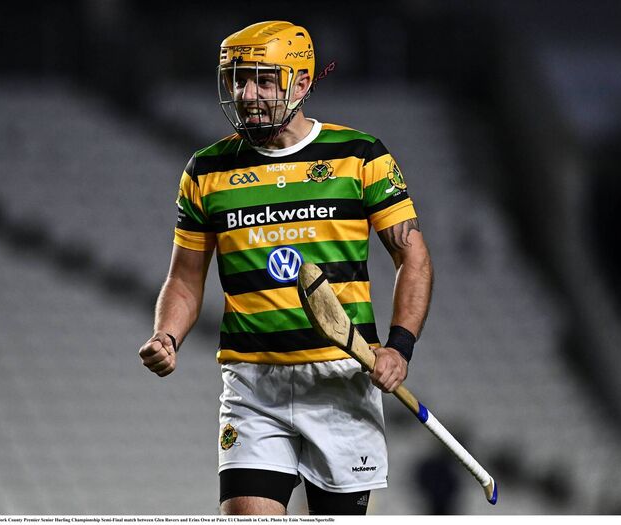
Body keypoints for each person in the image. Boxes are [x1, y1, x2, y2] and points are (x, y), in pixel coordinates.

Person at [138, 20, 433, 515]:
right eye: (237, 79)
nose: (247, 93)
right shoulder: (206, 171)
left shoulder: (360, 157)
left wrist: (399, 348)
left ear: (301, 83)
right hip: (254, 387)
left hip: (342, 380)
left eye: (263, 79)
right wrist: (167, 335)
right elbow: (186, 277)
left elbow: (414, 258)